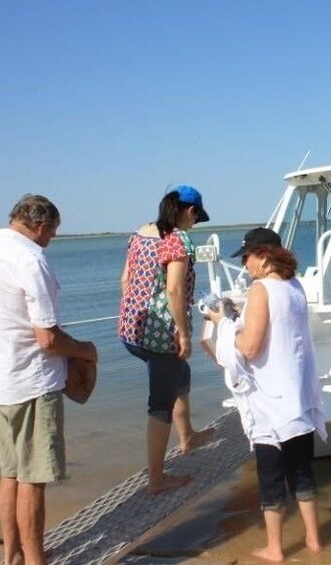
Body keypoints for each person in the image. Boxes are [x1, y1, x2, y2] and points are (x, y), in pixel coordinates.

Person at [0, 194, 99, 565]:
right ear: (40, 226)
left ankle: (12, 555)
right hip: (32, 382)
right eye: (52, 233)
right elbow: (48, 339)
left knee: (10, 473)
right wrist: (85, 350)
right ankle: (37, 560)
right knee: (33, 479)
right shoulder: (30, 259)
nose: (51, 239)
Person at [205, 227, 326, 563]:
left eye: (246, 258)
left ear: (262, 254)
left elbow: (251, 346)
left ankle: (275, 548)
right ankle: (314, 540)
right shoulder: (295, 286)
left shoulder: (262, 289)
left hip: (271, 402)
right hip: (299, 397)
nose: (245, 265)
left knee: (271, 476)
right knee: (302, 472)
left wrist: (224, 324)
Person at [118, 185, 214, 495]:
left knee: (180, 375)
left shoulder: (140, 234)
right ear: (189, 211)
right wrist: (183, 332)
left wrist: (136, 311)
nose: (194, 225)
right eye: (196, 219)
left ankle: (187, 436)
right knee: (160, 403)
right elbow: (174, 289)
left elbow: (125, 280)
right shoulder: (177, 239)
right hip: (159, 333)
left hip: (131, 328)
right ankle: (156, 480)